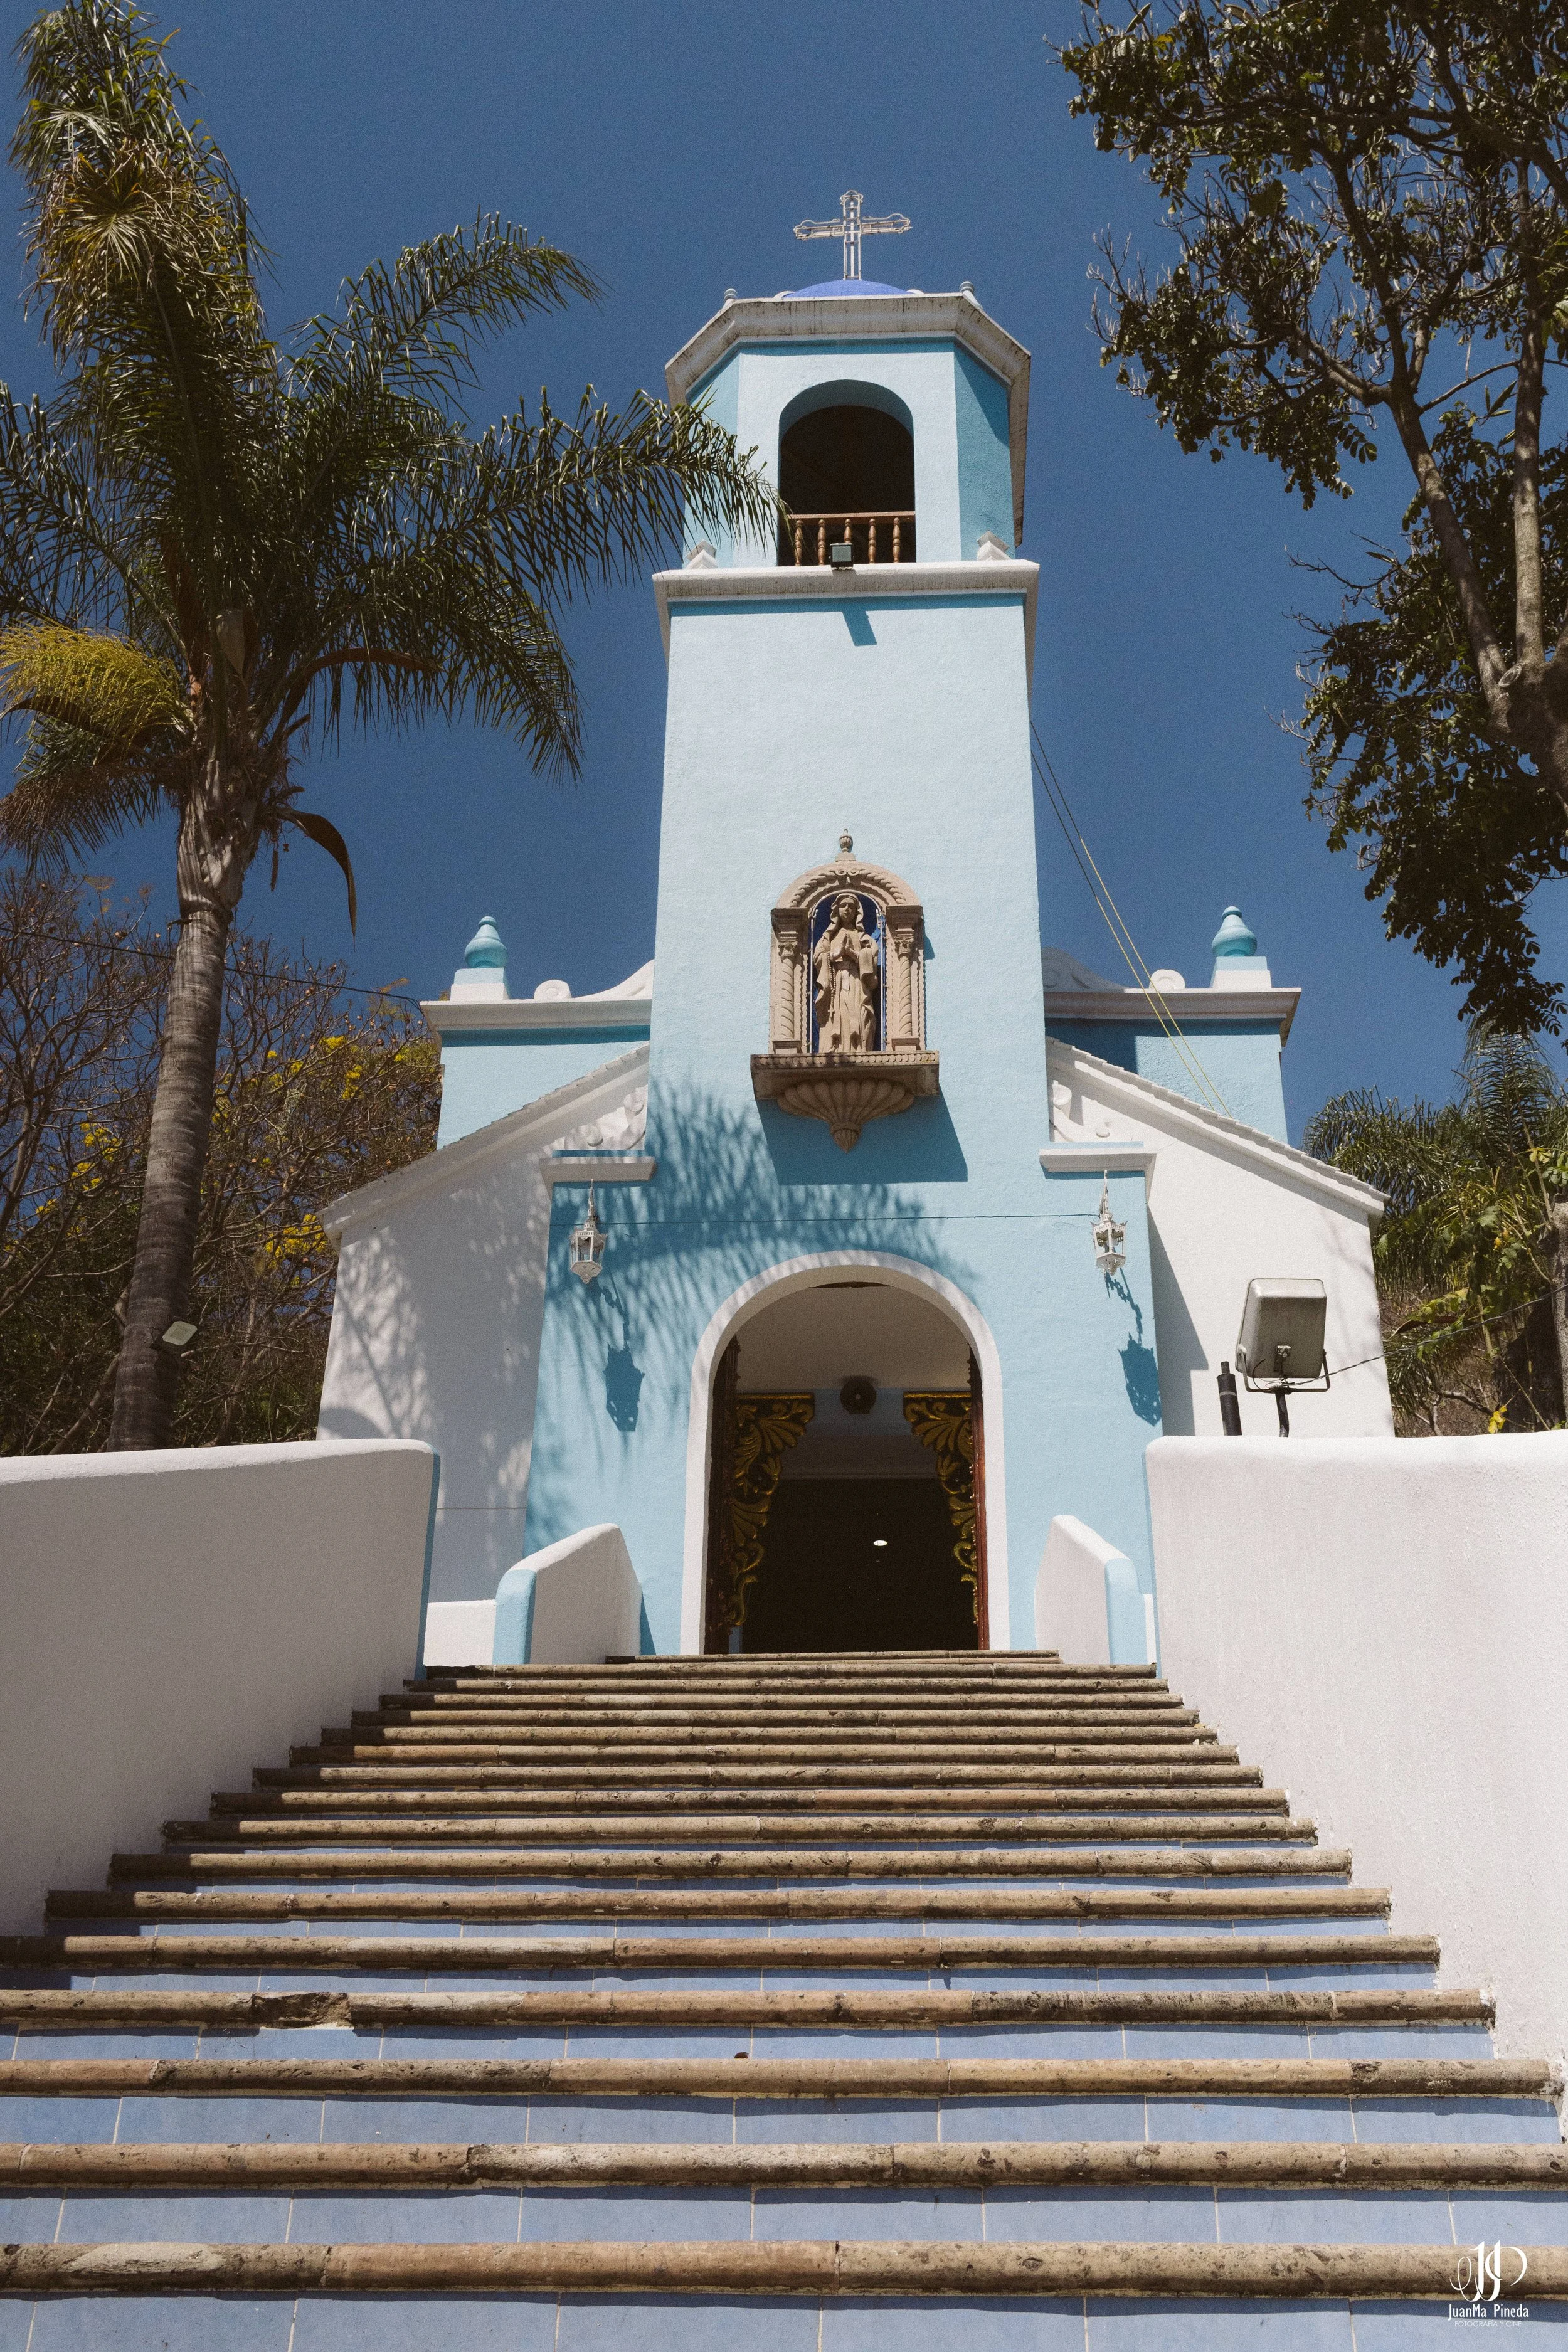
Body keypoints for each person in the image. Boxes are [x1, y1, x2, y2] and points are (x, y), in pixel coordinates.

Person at [813, 892, 880, 1052]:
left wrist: (853, 954)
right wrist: (836, 954)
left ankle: (858, 1046)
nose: (847, 909)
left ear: (857, 912)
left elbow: (873, 956)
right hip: (835, 984)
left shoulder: (863, 937)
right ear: (837, 910)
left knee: (857, 1014)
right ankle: (836, 1047)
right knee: (837, 1015)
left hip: (857, 983)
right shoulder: (829, 937)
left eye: (851, 906)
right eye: (843, 906)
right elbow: (818, 957)